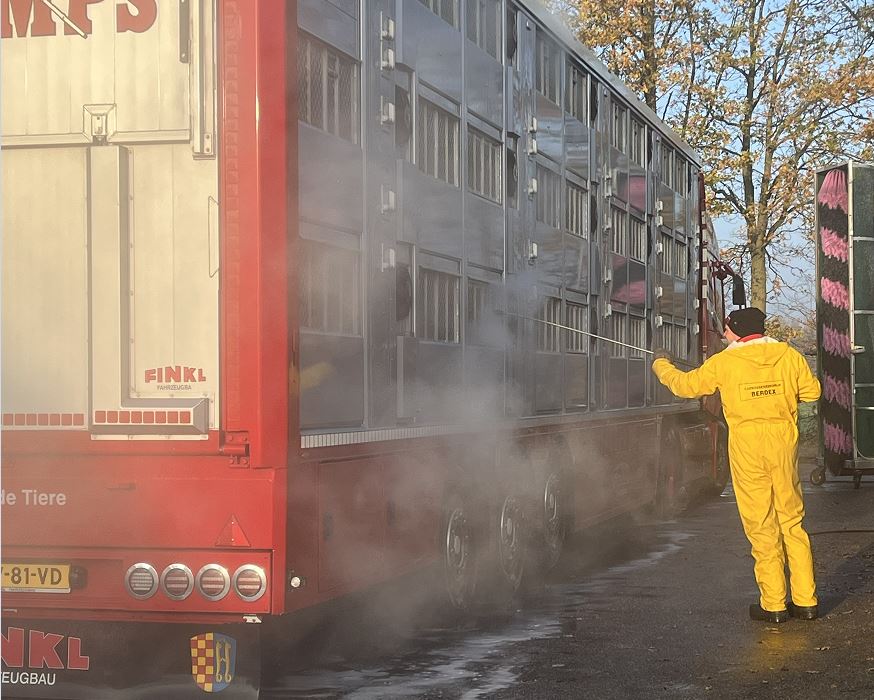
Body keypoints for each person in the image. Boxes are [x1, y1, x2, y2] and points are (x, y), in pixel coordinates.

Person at [652, 306, 822, 623]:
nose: (725, 334)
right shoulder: (788, 356)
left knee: (761, 525)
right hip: (782, 442)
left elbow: (685, 386)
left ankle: (774, 605)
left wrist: (661, 364)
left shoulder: (725, 361)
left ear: (739, 331)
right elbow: (812, 392)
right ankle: (806, 600)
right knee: (792, 522)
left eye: (728, 329)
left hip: (747, 445)